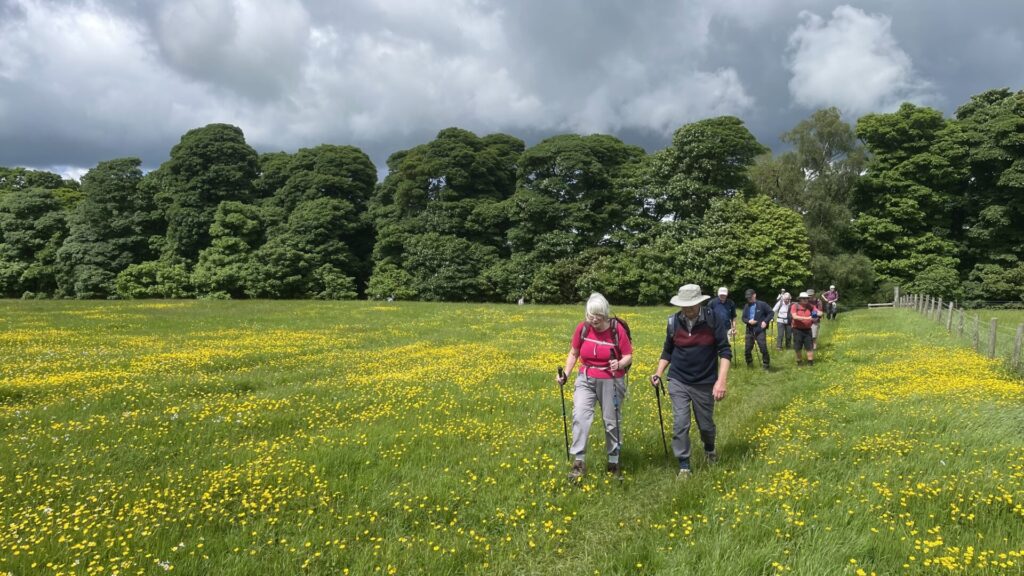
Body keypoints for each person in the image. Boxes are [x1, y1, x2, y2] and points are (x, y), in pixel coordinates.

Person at [650, 284, 731, 479]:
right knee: (680, 424)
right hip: (678, 379)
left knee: (705, 425)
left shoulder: (713, 319)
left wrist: (721, 381)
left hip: (704, 381)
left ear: (700, 303)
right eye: (684, 306)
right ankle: (684, 466)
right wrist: (658, 373)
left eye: (692, 306)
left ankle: (709, 449)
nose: (688, 310)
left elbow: (725, 351)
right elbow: (668, 351)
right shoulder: (673, 322)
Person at [557, 292, 632, 482]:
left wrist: (620, 364)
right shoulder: (583, 329)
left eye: (597, 315)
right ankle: (579, 463)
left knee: (611, 421)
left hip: (611, 379)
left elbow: (628, 355)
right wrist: (565, 373)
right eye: (590, 315)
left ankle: (613, 462)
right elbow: (574, 353)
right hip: (586, 377)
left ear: (605, 314)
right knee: (580, 416)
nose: (594, 319)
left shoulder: (616, 330)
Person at [741, 288, 773, 370]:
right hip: (749, 330)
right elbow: (743, 318)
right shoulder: (746, 306)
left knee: (763, 348)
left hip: (760, 330)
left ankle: (766, 365)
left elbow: (771, 313)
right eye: (747, 297)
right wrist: (748, 321)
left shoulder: (762, 304)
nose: (749, 299)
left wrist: (765, 321)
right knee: (747, 349)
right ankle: (749, 364)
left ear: (754, 295)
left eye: (750, 297)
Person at [791, 292, 817, 366]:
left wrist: (815, 316)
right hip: (797, 329)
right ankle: (799, 362)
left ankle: (810, 363)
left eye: (807, 298)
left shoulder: (810, 306)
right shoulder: (795, 306)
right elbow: (794, 317)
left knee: (809, 346)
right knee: (798, 347)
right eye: (804, 298)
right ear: (800, 299)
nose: (806, 300)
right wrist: (807, 318)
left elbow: (817, 312)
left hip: (808, 329)